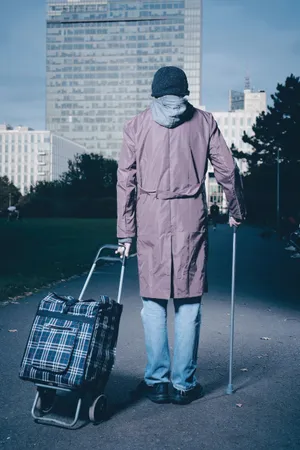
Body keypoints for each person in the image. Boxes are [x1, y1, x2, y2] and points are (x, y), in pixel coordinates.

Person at [116, 67, 245, 405]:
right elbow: (227, 169)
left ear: (155, 92)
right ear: (184, 91)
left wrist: (125, 233)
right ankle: (184, 383)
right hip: (190, 216)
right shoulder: (204, 121)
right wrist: (236, 210)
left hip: (151, 216)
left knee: (153, 301)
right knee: (188, 303)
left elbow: (125, 181)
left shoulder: (136, 125)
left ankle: (157, 381)